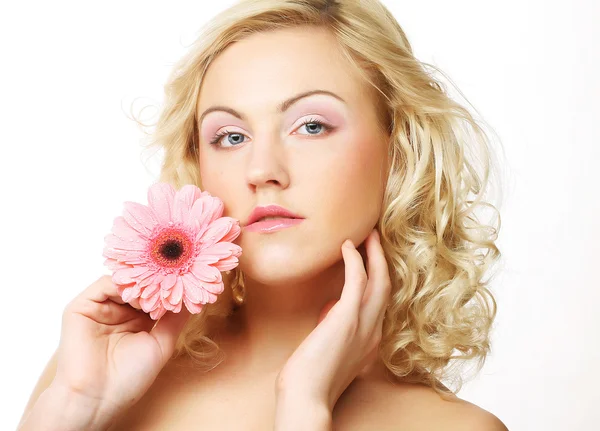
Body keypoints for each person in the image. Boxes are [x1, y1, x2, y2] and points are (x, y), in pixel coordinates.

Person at [18, 0, 508, 429]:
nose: (261, 170)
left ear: (398, 147)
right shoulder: (99, 368)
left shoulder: (454, 428)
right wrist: (76, 407)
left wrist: (305, 407)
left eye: (311, 126)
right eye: (231, 136)